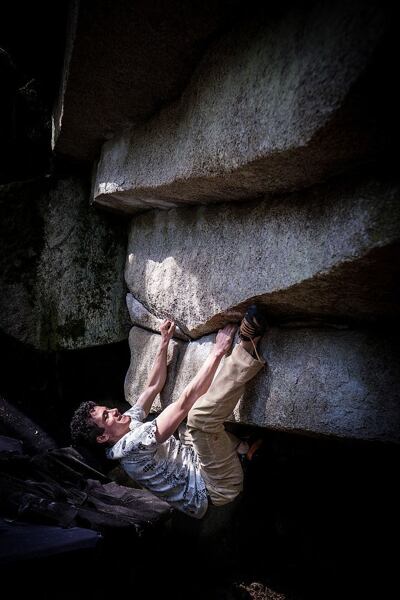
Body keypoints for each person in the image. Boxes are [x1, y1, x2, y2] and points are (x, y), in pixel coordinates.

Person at [70, 304, 268, 519]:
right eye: (106, 416)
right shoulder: (132, 445)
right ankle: (248, 347)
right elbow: (185, 402)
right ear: (103, 437)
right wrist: (218, 351)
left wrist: (164, 342)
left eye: (106, 408)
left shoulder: (126, 426)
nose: (114, 410)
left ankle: (242, 448)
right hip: (215, 489)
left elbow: (152, 387)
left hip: (199, 462)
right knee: (198, 419)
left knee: (182, 427)